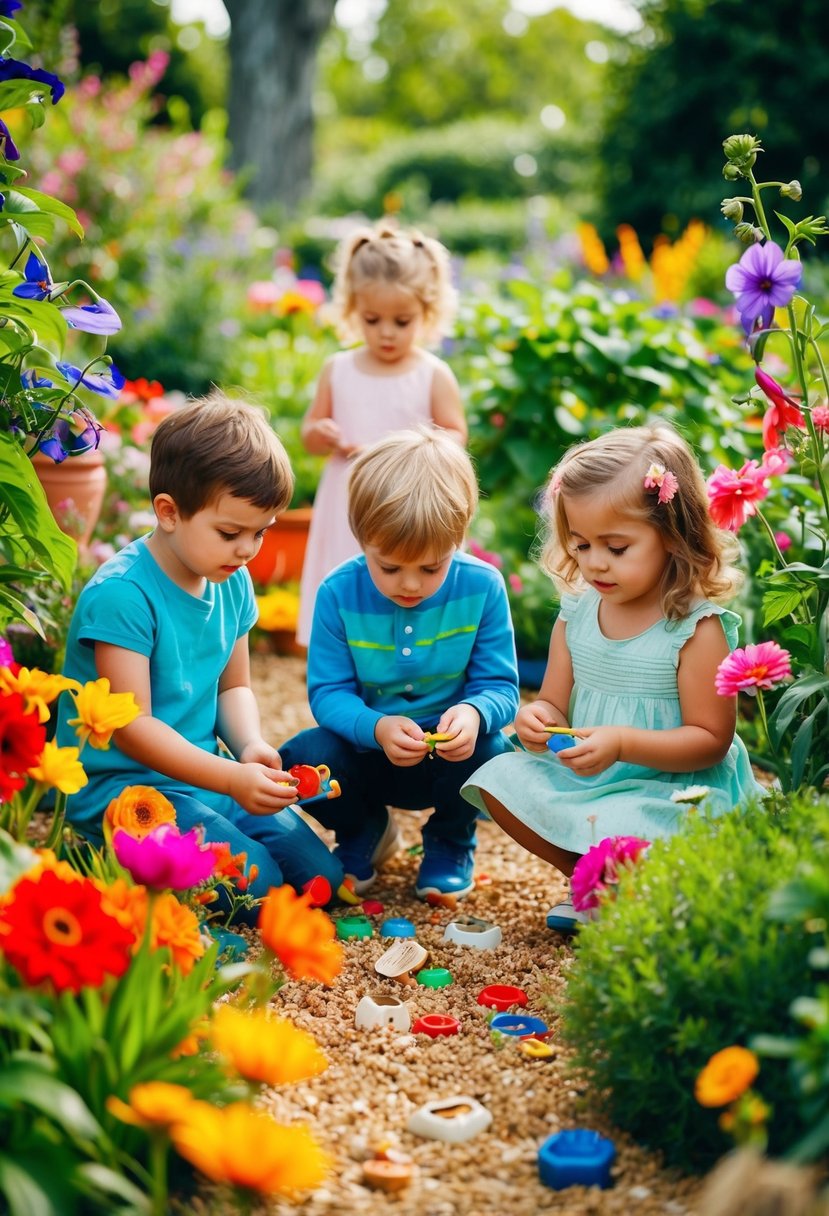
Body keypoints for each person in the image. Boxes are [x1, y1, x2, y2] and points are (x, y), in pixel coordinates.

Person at [461, 423, 767, 931]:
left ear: (672, 536)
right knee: (495, 775)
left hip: (668, 792)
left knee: (633, 824)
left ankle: (628, 886)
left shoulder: (694, 627)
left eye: (616, 548)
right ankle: (593, 880)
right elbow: (554, 702)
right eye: (580, 545)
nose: (595, 563)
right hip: (591, 778)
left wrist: (622, 743)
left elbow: (711, 740)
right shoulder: (578, 612)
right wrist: (539, 719)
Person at [56, 392, 344, 912]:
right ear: (168, 512)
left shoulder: (230, 577)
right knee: (256, 890)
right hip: (125, 791)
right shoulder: (123, 595)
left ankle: (155, 860)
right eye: (231, 532)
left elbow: (234, 686)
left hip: (201, 774)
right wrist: (232, 777)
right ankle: (94, 860)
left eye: (260, 532)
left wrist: (251, 748)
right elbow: (133, 728)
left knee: (320, 876)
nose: (248, 549)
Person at [281, 427, 519, 899]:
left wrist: (473, 714)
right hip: (370, 752)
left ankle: (451, 841)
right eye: (388, 566)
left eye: (431, 567)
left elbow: (501, 686)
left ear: (460, 537)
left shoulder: (482, 587)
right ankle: (362, 831)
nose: (409, 584)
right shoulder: (337, 592)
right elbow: (328, 693)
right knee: (304, 760)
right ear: (362, 537)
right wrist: (377, 728)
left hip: (452, 755)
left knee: (493, 750)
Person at [296, 222, 466, 646]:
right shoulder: (339, 369)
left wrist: (413, 451)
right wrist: (323, 432)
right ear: (353, 309)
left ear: (428, 313)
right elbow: (309, 435)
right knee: (347, 580)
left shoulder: (432, 374)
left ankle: (415, 656)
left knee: (409, 574)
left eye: (401, 321)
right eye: (372, 320)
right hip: (348, 499)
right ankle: (345, 657)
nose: (386, 332)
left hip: (411, 500)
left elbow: (456, 434)